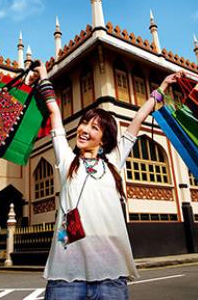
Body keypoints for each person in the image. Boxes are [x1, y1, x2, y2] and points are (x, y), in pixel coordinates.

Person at [29, 62, 178, 300]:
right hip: (66, 277)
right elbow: (55, 111)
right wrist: (44, 76)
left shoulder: (113, 161)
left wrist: (161, 88)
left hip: (111, 276)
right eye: (84, 123)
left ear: (104, 139)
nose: (84, 129)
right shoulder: (67, 161)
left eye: (94, 127)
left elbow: (139, 117)